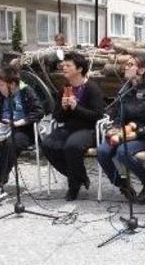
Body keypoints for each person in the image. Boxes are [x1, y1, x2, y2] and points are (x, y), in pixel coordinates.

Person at [97, 54, 145, 203]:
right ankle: (122, 184)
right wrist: (115, 128)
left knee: (122, 151)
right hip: (125, 132)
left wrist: (137, 133)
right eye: (126, 64)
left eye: (131, 64)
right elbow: (119, 115)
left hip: (144, 135)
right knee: (102, 151)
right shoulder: (124, 91)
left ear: (141, 70)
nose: (126, 66)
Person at [41, 52, 105, 200]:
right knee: (48, 144)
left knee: (72, 146)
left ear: (80, 69)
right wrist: (63, 107)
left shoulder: (91, 88)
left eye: (68, 65)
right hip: (69, 128)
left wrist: (76, 107)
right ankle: (80, 176)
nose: (64, 67)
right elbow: (57, 117)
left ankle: (73, 185)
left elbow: (97, 116)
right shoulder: (64, 89)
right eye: (63, 65)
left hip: (88, 129)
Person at [0, 66, 44, 208]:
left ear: (12, 84)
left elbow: (39, 112)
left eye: (1, 84)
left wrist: (18, 123)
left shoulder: (26, 92)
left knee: (10, 143)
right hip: (3, 127)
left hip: (23, 130)